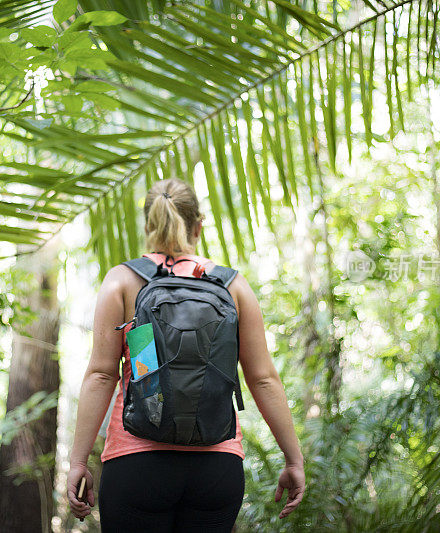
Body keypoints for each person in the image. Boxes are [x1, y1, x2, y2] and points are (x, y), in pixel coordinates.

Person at [66, 178, 306, 531]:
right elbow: (262, 378)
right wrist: (294, 459)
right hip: (215, 468)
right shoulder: (232, 286)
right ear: (199, 225)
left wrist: (77, 461)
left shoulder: (123, 282)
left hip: (137, 462)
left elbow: (102, 375)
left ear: (149, 224)